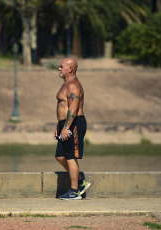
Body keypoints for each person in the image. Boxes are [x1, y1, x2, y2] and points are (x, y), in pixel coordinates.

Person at [53, 57, 91, 200]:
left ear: (70, 69)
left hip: (74, 123)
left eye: (62, 66)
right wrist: (59, 126)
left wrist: (67, 127)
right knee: (60, 156)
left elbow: (73, 109)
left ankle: (75, 191)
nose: (59, 68)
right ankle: (80, 180)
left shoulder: (73, 85)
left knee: (70, 156)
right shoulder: (67, 84)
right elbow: (63, 108)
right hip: (65, 125)